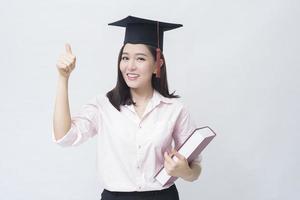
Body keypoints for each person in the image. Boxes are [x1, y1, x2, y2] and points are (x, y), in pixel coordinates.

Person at [53, 15, 202, 200]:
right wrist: (63, 78)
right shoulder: (103, 105)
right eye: (125, 58)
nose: (130, 66)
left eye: (140, 59)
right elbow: (64, 137)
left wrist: (184, 171)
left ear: (157, 65)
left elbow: (195, 169)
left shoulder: (174, 109)